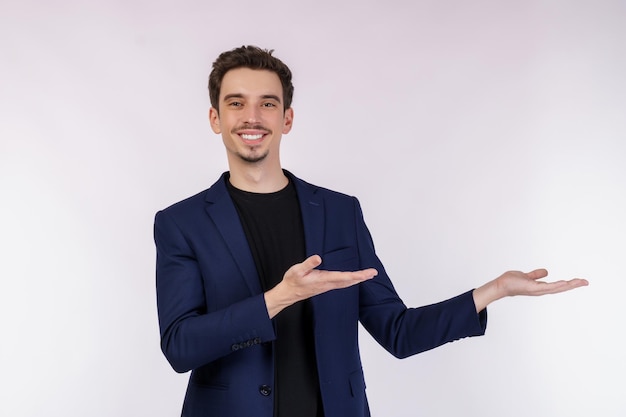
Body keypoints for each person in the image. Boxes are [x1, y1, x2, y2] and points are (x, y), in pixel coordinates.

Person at [153, 45, 588, 417]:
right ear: (215, 117)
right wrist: (279, 297)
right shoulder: (181, 224)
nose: (253, 117)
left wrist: (492, 291)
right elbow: (179, 347)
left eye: (267, 103)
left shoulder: (340, 212)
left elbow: (398, 331)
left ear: (287, 118)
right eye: (236, 103)